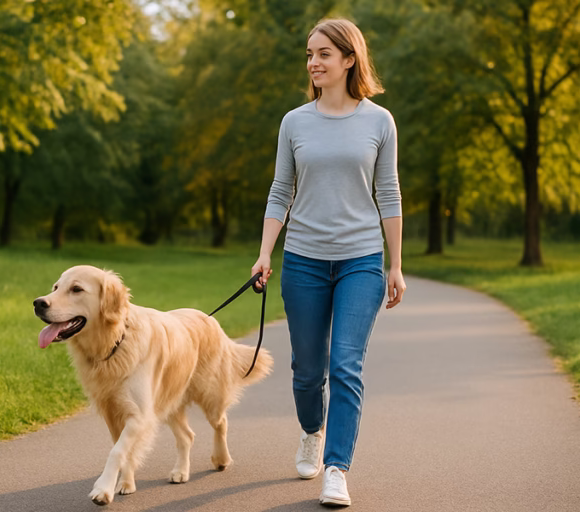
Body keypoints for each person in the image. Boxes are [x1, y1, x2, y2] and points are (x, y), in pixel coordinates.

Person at [251, 17, 406, 507]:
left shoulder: (379, 121)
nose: (313, 63)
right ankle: (311, 432)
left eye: (322, 54)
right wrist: (264, 253)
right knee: (306, 370)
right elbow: (280, 191)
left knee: (345, 366)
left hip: (361, 260)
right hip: (304, 261)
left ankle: (337, 467)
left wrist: (394, 265)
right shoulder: (294, 121)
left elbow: (389, 193)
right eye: (309, 55)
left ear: (348, 59)